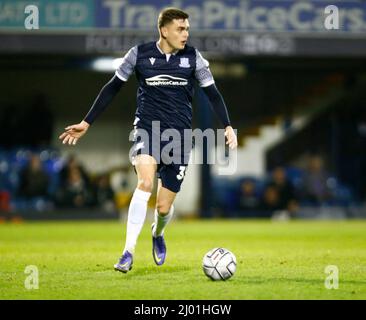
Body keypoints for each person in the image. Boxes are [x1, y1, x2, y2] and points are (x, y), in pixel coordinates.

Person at [59, 8, 237, 273]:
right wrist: (87, 122)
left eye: (187, 29)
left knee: (164, 207)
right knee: (144, 182)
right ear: (164, 30)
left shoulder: (193, 58)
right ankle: (127, 252)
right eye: (180, 29)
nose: (186, 34)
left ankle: (158, 232)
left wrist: (228, 125)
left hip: (178, 138)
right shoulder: (138, 55)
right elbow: (112, 88)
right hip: (147, 131)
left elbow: (213, 94)